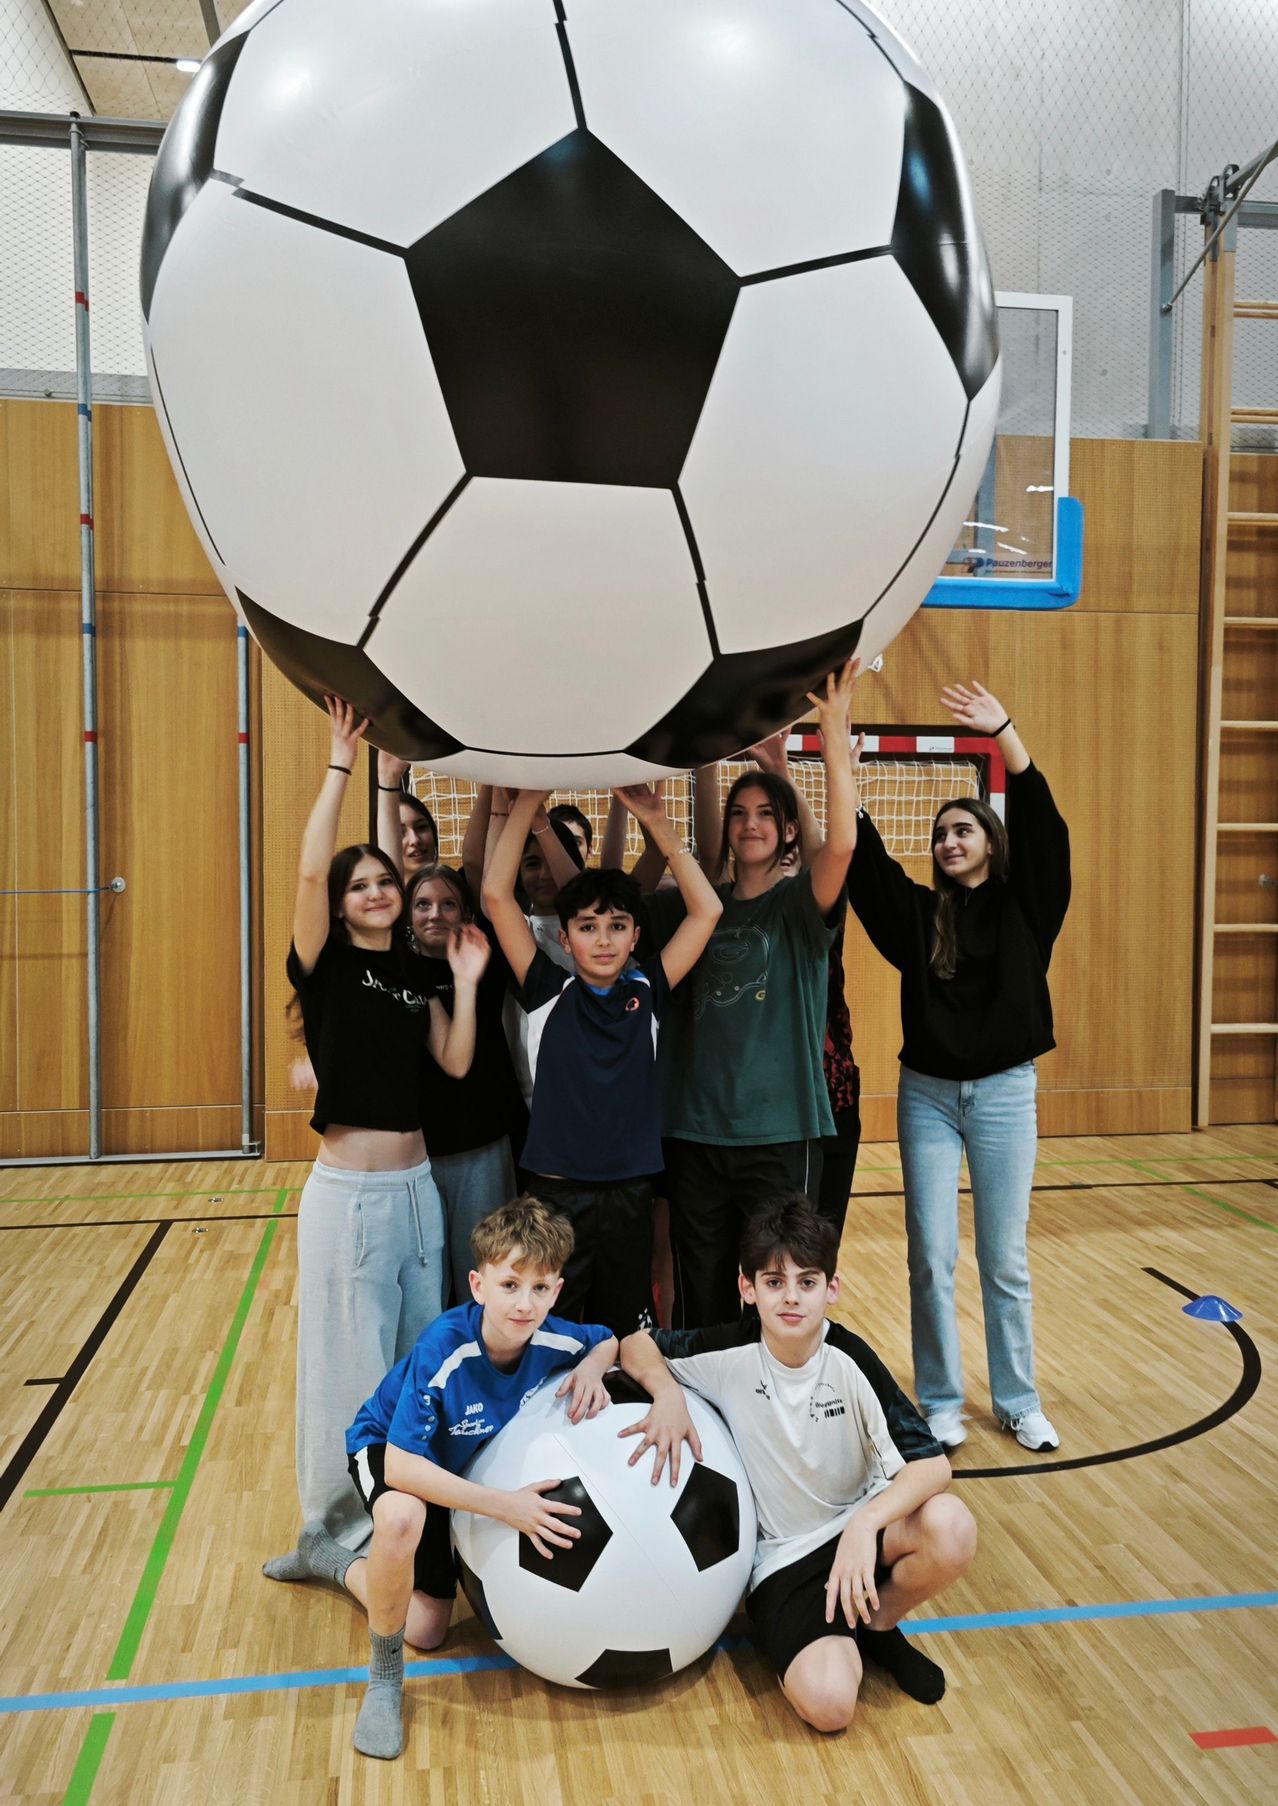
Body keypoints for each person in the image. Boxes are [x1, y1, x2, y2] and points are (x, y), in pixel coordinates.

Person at [264, 698, 490, 1574]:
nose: (376, 893)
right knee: (343, 1374)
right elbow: (309, 869)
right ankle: (328, 1533)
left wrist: (465, 983)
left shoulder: (407, 974)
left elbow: (459, 1063)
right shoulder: (326, 969)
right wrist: (344, 766)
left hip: (416, 1193)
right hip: (348, 1201)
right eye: (361, 886)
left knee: (413, 1365)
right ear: (342, 901)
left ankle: (411, 1520)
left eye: (384, 883)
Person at [618, 1198, 975, 1734]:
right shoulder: (728, 1352)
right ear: (747, 1289)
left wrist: (864, 1524)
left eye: (807, 1283)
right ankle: (843, 1631)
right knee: (831, 1708)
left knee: (952, 1526)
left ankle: (877, 1624)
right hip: (785, 1561)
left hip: (862, 1532)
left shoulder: (851, 1359)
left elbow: (930, 1467)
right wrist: (667, 1393)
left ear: (832, 1289)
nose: (790, 1298)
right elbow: (635, 1344)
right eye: (774, 1282)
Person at [847, 681, 1071, 1454]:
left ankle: (1018, 1399)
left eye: (964, 827)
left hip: (1007, 1092)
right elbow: (866, 873)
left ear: (989, 842)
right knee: (930, 1256)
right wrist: (848, 785)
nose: (948, 838)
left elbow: (1046, 832)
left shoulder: (1025, 909)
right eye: (941, 832)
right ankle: (940, 1399)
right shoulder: (919, 917)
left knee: (1003, 1258)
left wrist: (1004, 731)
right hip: (929, 1098)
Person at [339, 1199, 616, 1758]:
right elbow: (401, 1467)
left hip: (454, 1471)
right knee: (399, 1515)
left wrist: (592, 1366)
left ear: (557, 1291)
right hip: (388, 1449)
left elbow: (607, 1338)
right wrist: (504, 1506)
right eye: (510, 1284)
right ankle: (385, 1681)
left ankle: (333, 1561)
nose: (525, 1303)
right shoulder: (445, 1347)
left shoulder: (554, 1337)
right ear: (478, 1284)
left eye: (540, 1288)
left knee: (428, 1629)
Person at [650, 659, 861, 1327]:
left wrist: (826, 743)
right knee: (703, 1292)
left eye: (765, 814)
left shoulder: (800, 909)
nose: (750, 825)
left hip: (780, 1133)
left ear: (787, 827)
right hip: (695, 1133)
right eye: (740, 814)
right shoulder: (697, 908)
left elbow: (843, 845)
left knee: (777, 1294)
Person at [483, 784, 722, 1335]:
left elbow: (706, 908)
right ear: (565, 940)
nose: (604, 939)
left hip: (629, 1193)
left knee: (621, 1333)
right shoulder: (547, 992)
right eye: (588, 927)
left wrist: (657, 821)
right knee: (550, 1328)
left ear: (636, 934)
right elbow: (497, 895)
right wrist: (527, 804)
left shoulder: (650, 991)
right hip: (555, 1193)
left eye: (616, 926)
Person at [403, 864, 527, 1303]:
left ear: (466, 912)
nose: (434, 913)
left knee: (485, 1273)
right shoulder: (398, 971)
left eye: (447, 903)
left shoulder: (487, 960)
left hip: (482, 1148)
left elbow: (482, 862)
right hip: (417, 1156)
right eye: (422, 904)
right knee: (427, 1285)